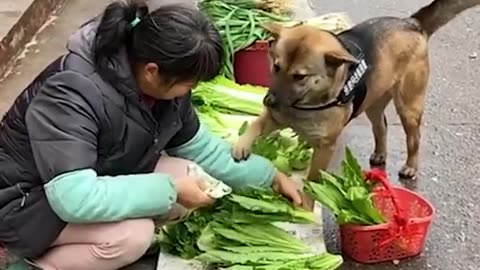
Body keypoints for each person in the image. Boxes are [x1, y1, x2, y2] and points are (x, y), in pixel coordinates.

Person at [0, 1, 304, 270]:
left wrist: (270, 176)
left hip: (88, 175)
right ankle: (35, 265)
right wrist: (170, 189)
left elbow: (203, 150)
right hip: (24, 201)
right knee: (132, 236)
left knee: (191, 176)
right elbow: (75, 199)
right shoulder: (70, 94)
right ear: (152, 71)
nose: (192, 90)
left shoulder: (163, 89)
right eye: (189, 82)